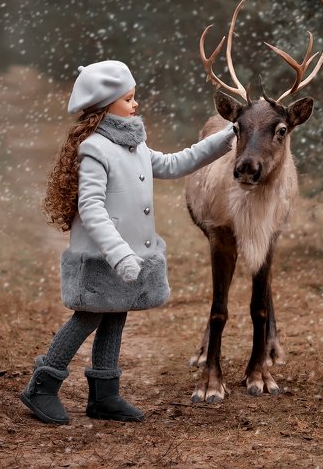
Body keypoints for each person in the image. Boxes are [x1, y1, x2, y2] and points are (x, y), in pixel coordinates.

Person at [20, 60, 235, 424]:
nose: (135, 105)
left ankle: (104, 395)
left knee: (116, 316)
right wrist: (118, 254)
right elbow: (90, 207)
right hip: (103, 255)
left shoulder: (132, 143)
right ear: (105, 105)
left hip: (131, 255)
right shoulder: (95, 149)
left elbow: (172, 163)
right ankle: (41, 387)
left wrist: (229, 136)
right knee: (87, 317)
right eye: (129, 99)